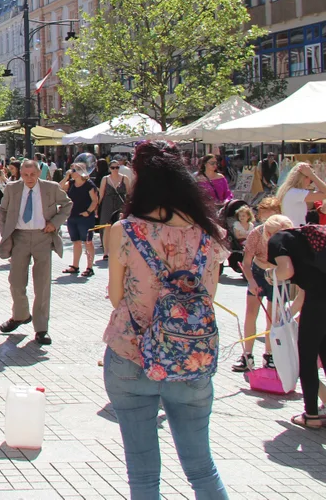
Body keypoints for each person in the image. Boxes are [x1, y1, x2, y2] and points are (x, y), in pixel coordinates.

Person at [102, 141, 229, 499]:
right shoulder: (210, 233)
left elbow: (116, 297)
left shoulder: (126, 230)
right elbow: (210, 298)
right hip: (191, 357)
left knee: (142, 476)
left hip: (132, 353)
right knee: (202, 467)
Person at [0, 159, 72, 345]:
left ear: (39, 173)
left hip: (43, 238)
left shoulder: (51, 188)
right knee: (16, 281)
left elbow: (67, 205)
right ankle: (20, 315)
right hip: (20, 237)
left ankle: (41, 328)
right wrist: (6, 233)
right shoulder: (12, 188)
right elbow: (3, 210)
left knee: (42, 284)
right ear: (20, 174)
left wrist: (54, 223)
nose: (29, 178)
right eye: (25, 174)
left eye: (32, 174)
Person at [266, 216, 326, 428]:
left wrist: (271, 273)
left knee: (307, 357)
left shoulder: (276, 240)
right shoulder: (311, 233)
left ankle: (311, 415)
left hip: (318, 299)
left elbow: (286, 270)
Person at [234, 197, 285, 373]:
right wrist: (251, 281)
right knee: (251, 313)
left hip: (278, 275)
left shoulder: (285, 233)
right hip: (258, 271)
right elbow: (246, 262)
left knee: (273, 316)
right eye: (266, 218)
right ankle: (247, 354)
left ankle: (269, 354)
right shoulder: (256, 233)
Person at [60, 162, 100, 278]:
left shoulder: (89, 185)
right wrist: (66, 177)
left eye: (73, 171)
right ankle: (75, 266)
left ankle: (89, 267)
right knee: (76, 242)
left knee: (88, 242)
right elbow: (59, 187)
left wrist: (88, 212)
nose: (71, 172)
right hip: (72, 216)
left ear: (80, 172)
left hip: (85, 217)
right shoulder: (71, 183)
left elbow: (95, 200)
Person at [98, 158, 132, 261]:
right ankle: (106, 252)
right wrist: (97, 208)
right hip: (107, 204)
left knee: (120, 227)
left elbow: (129, 193)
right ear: (109, 168)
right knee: (107, 227)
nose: (115, 169)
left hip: (120, 205)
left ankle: (120, 249)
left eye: (117, 167)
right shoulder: (105, 179)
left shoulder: (124, 178)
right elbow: (101, 194)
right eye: (113, 168)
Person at [277, 161, 326, 228]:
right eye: (310, 180)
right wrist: (312, 175)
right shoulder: (296, 193)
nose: (310, 183)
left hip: (290, 231)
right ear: (303, 178)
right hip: (295, 232)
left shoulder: (289, 191)